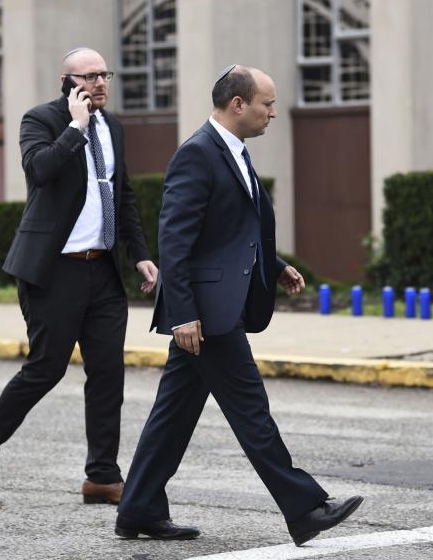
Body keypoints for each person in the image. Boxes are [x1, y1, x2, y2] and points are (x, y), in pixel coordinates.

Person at [115, 65, 362, 546]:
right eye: (267, 104)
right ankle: (305, 507)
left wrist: (275, 263)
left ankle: (138, 508)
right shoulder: (197, 154)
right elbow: (177, 240)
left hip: (215, 306)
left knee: (173, 413)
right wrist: (183, 312)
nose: (273, 112)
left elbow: (230, 231)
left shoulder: (233, 152)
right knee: (251, 409)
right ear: (237, 105)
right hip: (207, 313)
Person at [0, 47, 157, 507]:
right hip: (54, 270)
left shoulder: (115, 126)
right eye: (88, 76)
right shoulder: (39, 120)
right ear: (66, 83)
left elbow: (121, 195)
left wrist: (139, 255)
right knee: (46, 368)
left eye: (104, 74)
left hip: (102, 269)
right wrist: (76, 127)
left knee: (108, 373)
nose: (100, 83)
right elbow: (40, 170)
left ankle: (103, 475)